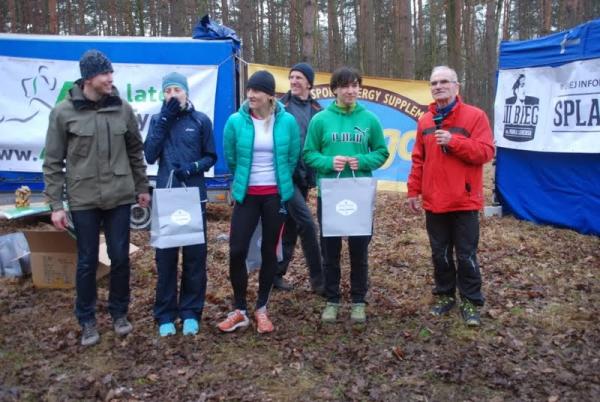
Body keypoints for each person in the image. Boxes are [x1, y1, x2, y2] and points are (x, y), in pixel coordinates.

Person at [43, 49, 150, 346]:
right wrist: (56, 205)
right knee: (87, 261)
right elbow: (52, 162)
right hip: (84, 199)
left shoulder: (123, 108)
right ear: (89, 78)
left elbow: (135, 151)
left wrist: (141, 187)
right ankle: (87, 319)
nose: (110, 78)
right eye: (105, 73)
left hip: (119, 196)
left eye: (111, 72)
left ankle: (119, 313)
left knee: (120, 258)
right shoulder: (63, 113)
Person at [407, 65, 495, 326]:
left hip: (464, 200)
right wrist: (413, 190)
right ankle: (445, 295)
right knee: (440, 253)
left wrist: (454, 141)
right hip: (434, 201)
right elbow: (418, 159)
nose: (438, 87)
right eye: (434, 83)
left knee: (466, 254)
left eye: (444, 82)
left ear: (457, 86)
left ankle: (471, 301)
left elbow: (486, 152)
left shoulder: (475, 116)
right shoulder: (425, 121)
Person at [303, 66, 389, 324]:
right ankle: (332, 300)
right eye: (345, 86)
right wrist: (329, 162)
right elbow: (309, 154)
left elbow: (382, 152)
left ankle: (358, 300)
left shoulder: (370, 119)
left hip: (359, 193)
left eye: (355, 86)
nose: (351, 91)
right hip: (330, 193)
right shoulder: (320, 120)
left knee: (359, 250)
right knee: (330, 250)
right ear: (335, 90)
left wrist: (361, 160)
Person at [217, 70, 300, 334]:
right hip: (247, 195)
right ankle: (240, 309)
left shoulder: (287, 122)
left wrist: (279, 184)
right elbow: (231, 157)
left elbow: (292, 157)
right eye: (249, 90)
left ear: (270, 95)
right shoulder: (235, 121)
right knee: (237, 250)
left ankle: (261, 308)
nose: (251, 95)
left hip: (275, 196)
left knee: (269, 252)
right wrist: (245, 181)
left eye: (257, 91)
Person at [144, 72, 216, 337]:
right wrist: (165, 119)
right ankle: (165, 314)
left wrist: (193, 167)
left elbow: (211, 156)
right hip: (166, 197)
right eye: (167, 91)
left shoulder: (200, 120)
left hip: (193, 197)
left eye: (177, 90)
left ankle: (190, 312)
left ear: (186, 92)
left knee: (195, 258)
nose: (172, 95)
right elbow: (149, 155)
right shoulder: (157, 120)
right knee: (165, 259)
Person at [274, 62, 324, 294]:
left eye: (299, 78)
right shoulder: (279, 107)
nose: (294, 81)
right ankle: (320, 281)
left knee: (291, 226)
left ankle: (276, 274)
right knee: (307, 224)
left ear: (309, 83)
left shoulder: (318, 110)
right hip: (284, 177)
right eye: (291, 77)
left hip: (304, 178)